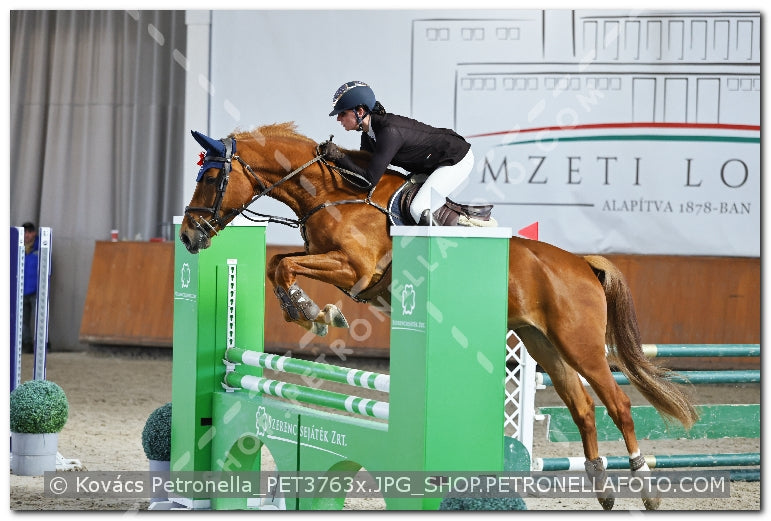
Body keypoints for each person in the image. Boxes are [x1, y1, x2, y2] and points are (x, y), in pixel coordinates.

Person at [319, 81, 474, 225]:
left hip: (455, 158)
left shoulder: (389, 132)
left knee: (418, 208)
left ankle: (443, 251)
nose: (339, 119)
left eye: (342, 114)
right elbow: (361, 171)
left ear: (360, 111)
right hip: (432, 164)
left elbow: (368, 180)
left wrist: (339, 157)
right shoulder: (368, 134)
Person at [21, 222, 39, 353]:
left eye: (29, 232)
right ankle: (26, 343)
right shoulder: (17, 248)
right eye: (25, 232)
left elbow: (48, 269)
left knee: (40, 318)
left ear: (34, 233)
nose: (27, 235)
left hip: (37, 291)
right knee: (23, 320)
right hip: (21, 290)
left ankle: (42, 344)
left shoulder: (41, 248)